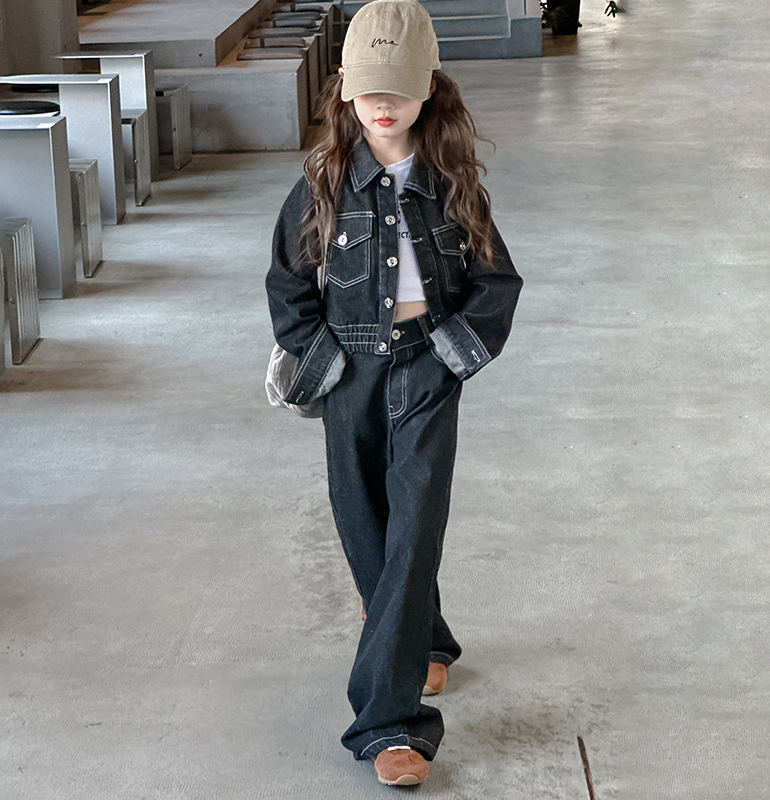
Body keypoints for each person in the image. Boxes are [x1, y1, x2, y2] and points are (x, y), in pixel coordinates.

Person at [265, 0, 523, 786]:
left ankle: (388, 724)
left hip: (425, 371)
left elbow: (496, 283)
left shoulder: (452, 185)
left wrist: (449, 359)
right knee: (367, 529)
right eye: (370, 88)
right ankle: (425, 637)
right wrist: (321, 363)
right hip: (350, 375)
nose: (384, 104)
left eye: (401, 89)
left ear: (429, 90)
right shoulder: (321, 184)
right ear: (345, 86)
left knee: (413, 533)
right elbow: (288, 286)